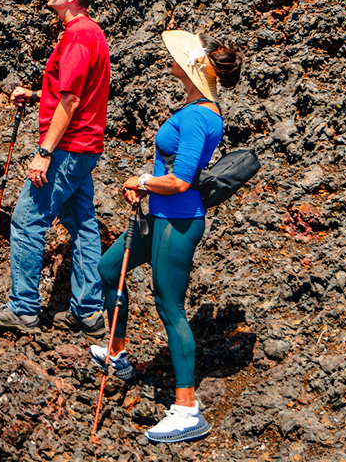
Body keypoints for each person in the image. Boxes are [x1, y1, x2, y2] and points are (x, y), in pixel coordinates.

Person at [90, 29, 243, 445]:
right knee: (108, 270)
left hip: (177, 222)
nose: (168, 59)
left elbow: (179, 181)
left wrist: (142, 178)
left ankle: (187, 409)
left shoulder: (199, 117)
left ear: (192, 68)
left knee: (169, 306)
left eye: (175, 56)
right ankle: (118, 354)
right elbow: (171, 175)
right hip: (158, 215)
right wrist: (147, 186)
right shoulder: (196, 108)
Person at [0, 0, 111, 338]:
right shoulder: (93, 34)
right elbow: (71, 93)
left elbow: (70, 102)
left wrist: (44, 152)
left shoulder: (76, 37)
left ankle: (23, 308)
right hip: (86, 147)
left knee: (26, 221)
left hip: (67, 148)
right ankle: (88, 312)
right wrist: (38, 94)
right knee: (83, 225)